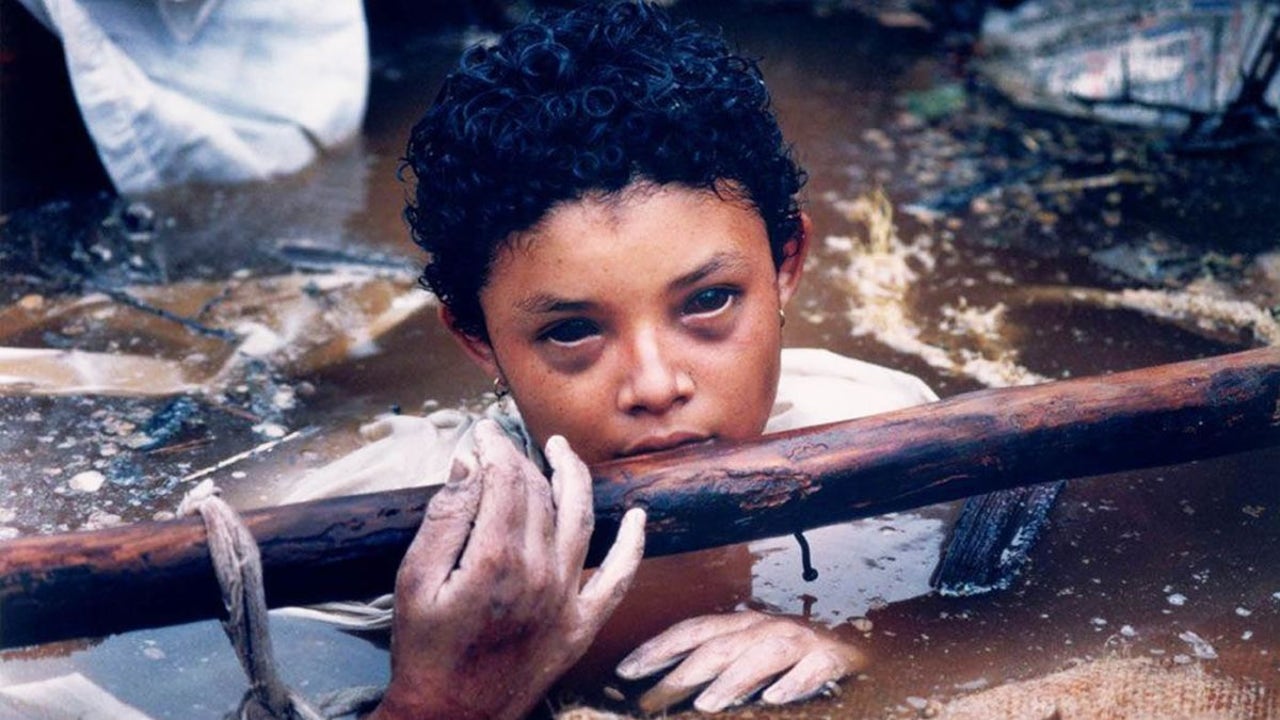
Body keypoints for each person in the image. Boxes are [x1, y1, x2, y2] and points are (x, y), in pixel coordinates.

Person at [281, 2, 937, 717]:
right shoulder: (360, 556)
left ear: (786, 268)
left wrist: (856, 639)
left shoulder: (888, 434)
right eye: (570, 333)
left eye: (710, 300)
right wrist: (439, 701)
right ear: (478, 340)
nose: (656, 386)